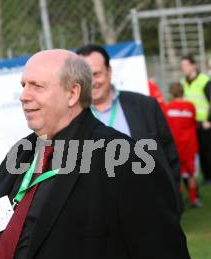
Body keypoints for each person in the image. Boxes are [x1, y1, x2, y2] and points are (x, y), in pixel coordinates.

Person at [0, 49, 200, 259]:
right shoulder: (22, 152)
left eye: (37, 86)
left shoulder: (128, 162)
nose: (24, 95)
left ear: (73, 93)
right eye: (23, 85)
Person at [75, 44, 180, 193]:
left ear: (109, 71)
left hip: (146, 200)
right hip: (98, 208)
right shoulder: (70, 117)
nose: (92, 82)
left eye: (96, 74)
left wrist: (171, 198)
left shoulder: (145, 106)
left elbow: (170, 156)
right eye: (85, 76)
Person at [164, 82, 200, 208]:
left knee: (176, 174)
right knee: (191, 174)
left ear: (171, 93)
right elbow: (193, 122)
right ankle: (194, 199)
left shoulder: (167, 108)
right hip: (190, 145)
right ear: (182, 92)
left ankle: (179, 201)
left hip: (175, 146)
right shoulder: (190, 106)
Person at [180, 54, 211, 183]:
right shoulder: (182, 82)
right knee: (192, 151)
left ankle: (208, 177)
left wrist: (209, 120)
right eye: (182, 66)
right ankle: (193, 176)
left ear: (193, 66)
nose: (183, 68)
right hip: (189, 124)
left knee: (206, 151)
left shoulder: (205, 80)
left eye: (186, 65)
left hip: (204, 123)